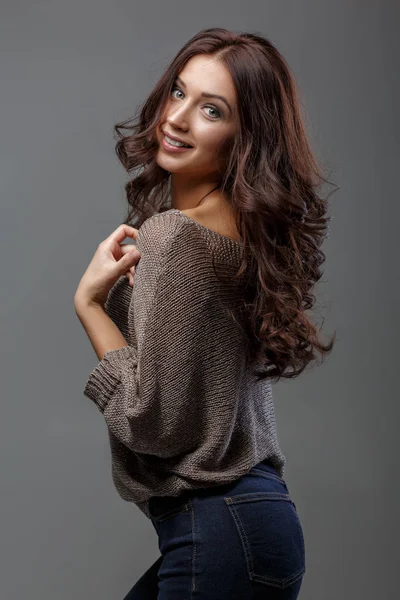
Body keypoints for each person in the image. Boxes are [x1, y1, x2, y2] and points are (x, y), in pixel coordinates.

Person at [74, 27, 336, 600]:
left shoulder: (173, 237)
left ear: (247, 136)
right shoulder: (244, 233)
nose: (178, 118)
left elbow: (153, 422)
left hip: (221, 525)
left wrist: (91, 305)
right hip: (258, 523)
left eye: (211, 109)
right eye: (178, 92)